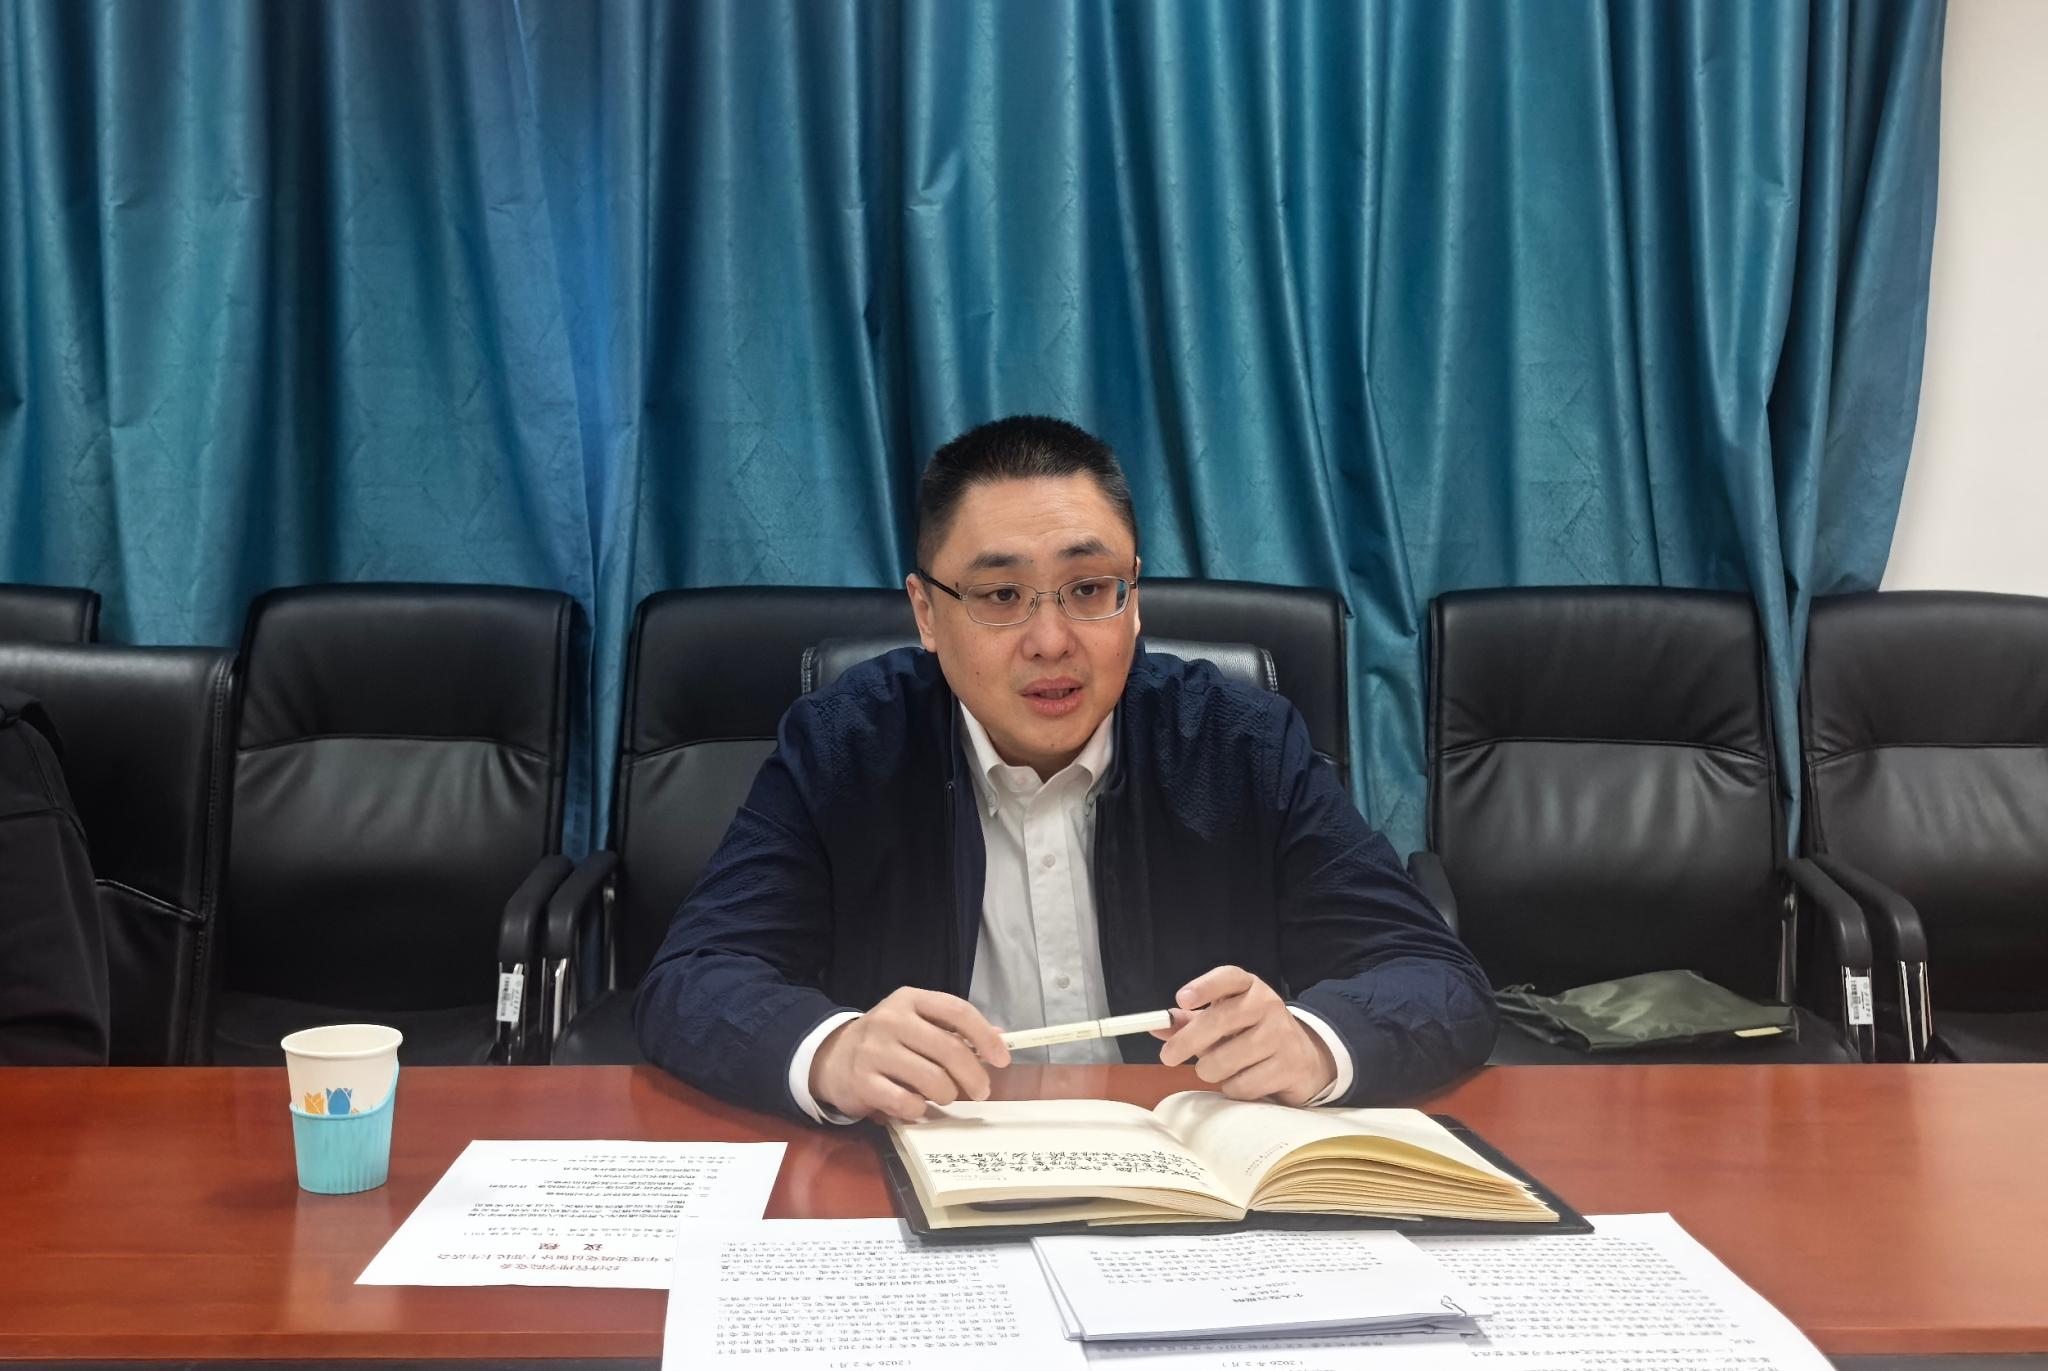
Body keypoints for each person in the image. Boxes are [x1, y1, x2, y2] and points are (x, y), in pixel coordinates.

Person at [636, 416, 1494, 1122]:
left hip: (1183, 1185)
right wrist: (833, 1049)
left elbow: (1436, 976)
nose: (1051, 641)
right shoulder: (843, 746)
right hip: (930, 1173)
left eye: (1089, 589)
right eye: (1001, 596)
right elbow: (692, 978)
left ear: (1134, 596)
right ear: (927, 613)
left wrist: (1311, 1040)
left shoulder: (1240, 743)